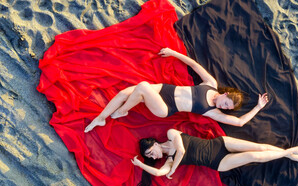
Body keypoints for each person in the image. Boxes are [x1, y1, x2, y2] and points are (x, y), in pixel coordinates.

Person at [84, 48, 269, 132]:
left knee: (142, 87)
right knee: (124, 93)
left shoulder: (213, 112)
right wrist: (173, 53)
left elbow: (239, 123)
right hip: (164, 89)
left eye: (227, 109)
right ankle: (100, 118)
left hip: (165, 107)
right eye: (226, 104)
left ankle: (122, 111)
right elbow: (194, 65)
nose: (224, 107)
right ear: (226, 94)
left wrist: (258, 107)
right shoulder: (211, 83)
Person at [132, 129, 298, 186]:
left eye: (149, 151)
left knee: (260, 147)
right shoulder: (169, 160)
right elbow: (158, 173)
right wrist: (141, 165)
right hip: (218, 162)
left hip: (219, 144)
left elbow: (181, 150)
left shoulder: (171, 134)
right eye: (149, 156)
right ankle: (292, 154)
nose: (152, 155)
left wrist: (175, 166)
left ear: (154, 143)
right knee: (254, 155)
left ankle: (291, 154)